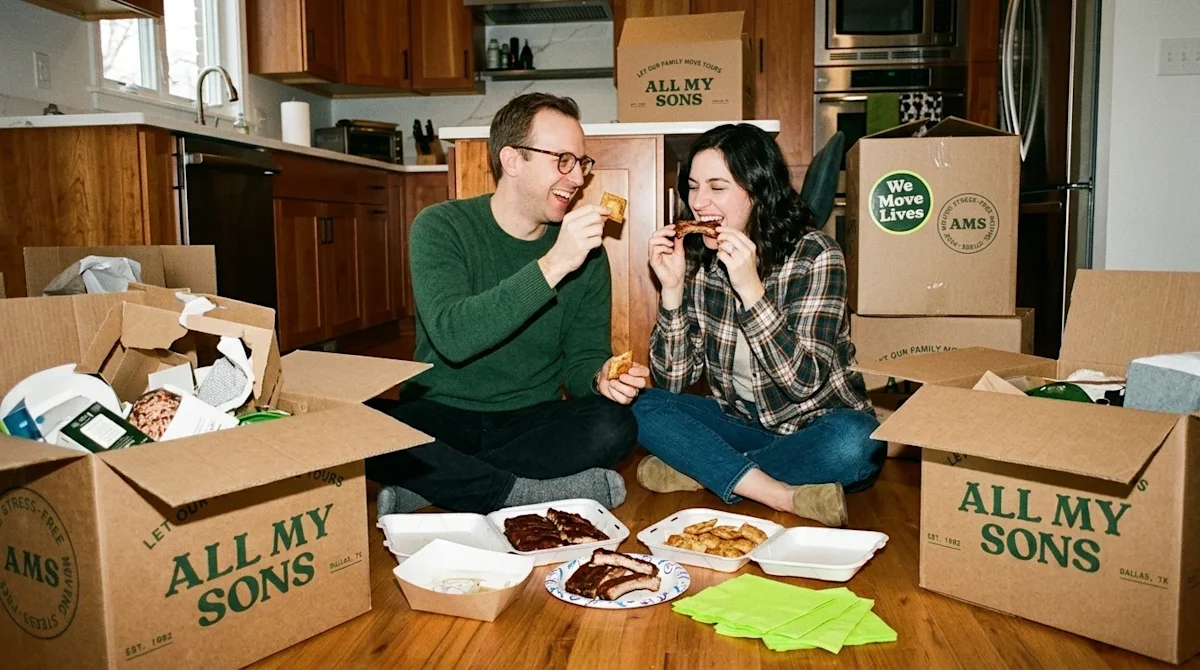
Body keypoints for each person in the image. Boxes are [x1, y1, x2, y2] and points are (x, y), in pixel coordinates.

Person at [367, 93, 650, 515]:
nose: (577, 179)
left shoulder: (588, 255)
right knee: (360, 425)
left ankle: (438, 486)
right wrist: (553, 264)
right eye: (563, 160)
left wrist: (600, 376)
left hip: (530, 421)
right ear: (513, 160)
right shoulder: (441, 227)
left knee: (615, 426)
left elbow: (581, 362)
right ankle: (526, 493)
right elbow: (454, 337)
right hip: (440, 413)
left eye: (582, 163)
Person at [631, 123, 884, 527]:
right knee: (639, 405)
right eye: (693, 187)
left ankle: (706, 469)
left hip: (816, 427)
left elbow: (803, 382)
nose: (699, 202)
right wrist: (672, 290)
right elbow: (675, 381)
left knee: (859, 443)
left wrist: (751, 289)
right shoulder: (698, 258)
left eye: (717, 187)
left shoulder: (816, 255)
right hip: (743, 423)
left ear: (759, 190)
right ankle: (778, 493)